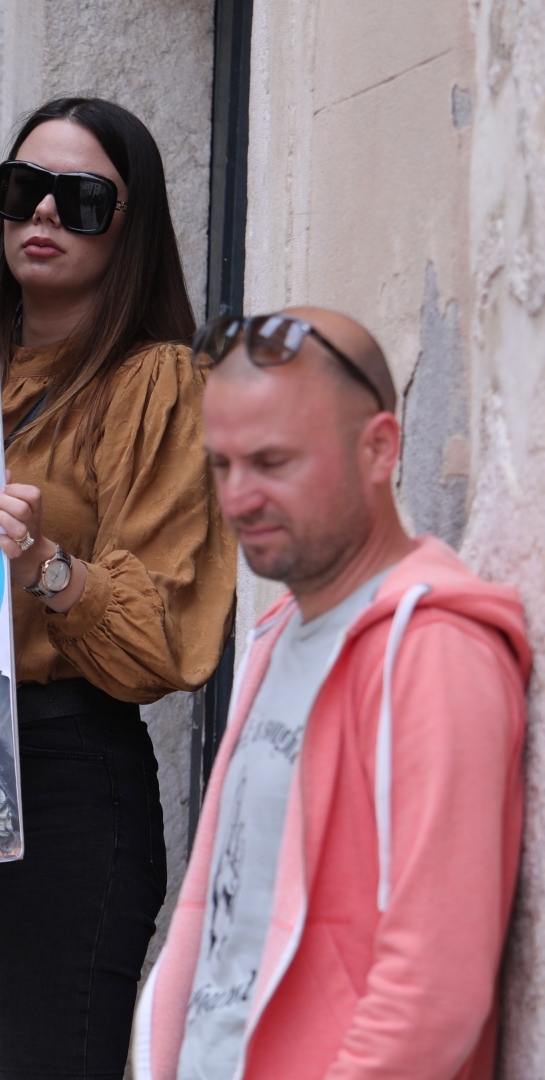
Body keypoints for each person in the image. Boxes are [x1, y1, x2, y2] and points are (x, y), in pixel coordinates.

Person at [0, 98, 238, 1079]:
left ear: (132, 224)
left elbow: (162, 642)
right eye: (22, 191)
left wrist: (46, 567)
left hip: (62, 768)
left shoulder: (154, 381)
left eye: (83, 202)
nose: (44, 218)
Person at [133, 309, 530, 1080]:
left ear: (378, 447)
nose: (238, 497)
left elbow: (431, 993)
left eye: (273, 462)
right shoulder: (280, 633)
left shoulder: (435, 651)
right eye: (221, 465)